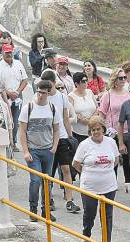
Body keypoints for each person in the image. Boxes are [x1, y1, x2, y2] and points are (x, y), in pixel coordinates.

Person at [72, 116, 120, 242]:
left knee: (107, 214)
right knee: (90, 213)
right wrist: (88, 172)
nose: (96, 132)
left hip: (109, 185)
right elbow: (75, 164)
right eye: (93, 130)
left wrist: (105, 170)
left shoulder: (110, 142)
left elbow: (115, 160)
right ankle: (86, 236)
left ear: (103, 129)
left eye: (98, 129)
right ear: (89, 131)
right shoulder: (84, 145)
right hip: (89, 186)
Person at [19, 80, 61, 222]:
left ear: (48, 93)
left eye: (44, 93)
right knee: (35, 180)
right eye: (39, 92)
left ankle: (46, 210)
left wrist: (55, 146)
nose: (41, 95)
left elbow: (56, 129)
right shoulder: (28, 108)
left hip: (48, 150)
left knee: (47, 181)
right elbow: (22, 131)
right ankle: (33, 209)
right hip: (33, 150)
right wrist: (25, 151)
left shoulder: (52, 108)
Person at [40, 70, 80, 214]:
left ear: (53, 82)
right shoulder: (41, 97)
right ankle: (48, 198)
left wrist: (70, 136)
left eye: (48, 84)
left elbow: (65, 118)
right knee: (49, 172)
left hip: (62, 137)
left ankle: (69, 200)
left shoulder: (62, 97)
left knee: (66, 169)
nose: (46, 88)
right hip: (48, 139)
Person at [0, 44, 28, 150]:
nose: (9, 54)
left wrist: (17, 92)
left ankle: (13, 142)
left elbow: (25, 80)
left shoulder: (18, 64)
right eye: (6, 52)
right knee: (5, 119)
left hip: (18, 96)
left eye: (10, 52)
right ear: (2, 53)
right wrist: (9, 93)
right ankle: (5, 141)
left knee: (16, 119)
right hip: (4, 96)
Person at [98, 68, 130, 142]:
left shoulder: (128, 93)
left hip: (127, 131)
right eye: (120, 78)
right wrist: (103, 131)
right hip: (113, 133)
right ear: (115, 79)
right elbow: (101, 115)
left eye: (124, 77)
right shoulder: (108, 95)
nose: (123, 80)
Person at [68, 71, 98, 144]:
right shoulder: (70, 96)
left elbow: (97, 108)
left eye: (86, 81)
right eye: (83, 81)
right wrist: (81, 119)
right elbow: (70, 114)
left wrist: (91, 120)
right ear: (76, 84)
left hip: (93, 130)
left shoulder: (90, 92)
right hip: (79, 133)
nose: (86, 83)